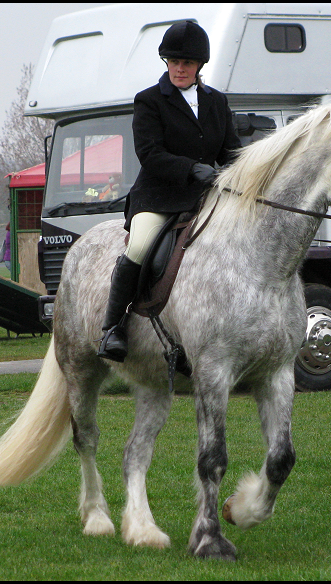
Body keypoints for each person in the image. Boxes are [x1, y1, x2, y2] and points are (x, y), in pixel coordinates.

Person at [97, 21, 242, 362]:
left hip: (206, 198)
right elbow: (149, 152)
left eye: (187, 63)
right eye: (173, 61)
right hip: (159, 196)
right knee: (140, 245)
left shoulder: (217, 103)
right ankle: (113, 327)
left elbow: (231, 151)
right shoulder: (149, 101)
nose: (179, 68)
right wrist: (191, 168)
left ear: (199, 66)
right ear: (166, 62)